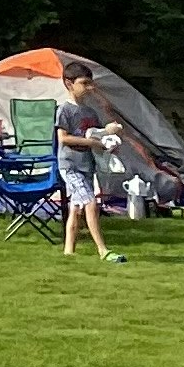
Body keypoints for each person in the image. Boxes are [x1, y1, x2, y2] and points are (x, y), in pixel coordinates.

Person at [53, 60, 128, 263]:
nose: (89, 88)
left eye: (90, 83)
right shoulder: (64, 110)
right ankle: (103, 250)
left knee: (75, 209)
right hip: (70, 165)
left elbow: (95, 136)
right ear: (69, 83)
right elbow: (64, 138)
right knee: (90, 202)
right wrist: (94, 142)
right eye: (84, 83)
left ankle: (68, 253)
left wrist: (109, 137)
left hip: (87, 164)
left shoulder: (90, 113)